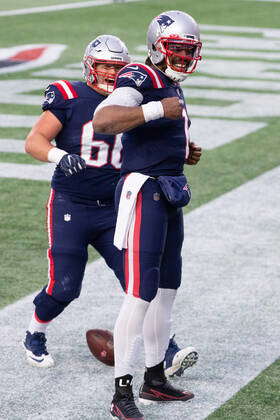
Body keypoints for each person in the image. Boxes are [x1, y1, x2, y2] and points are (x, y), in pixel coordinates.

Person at [22, 35, 200, 381]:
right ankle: (35, 331)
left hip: (117, 207)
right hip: (72, 204)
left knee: (139, 281)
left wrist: (183, 151)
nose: (109, 73)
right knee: (65, 286)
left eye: (117, 68)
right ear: (89, 65)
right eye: (103, 66)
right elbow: (34, 141)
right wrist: (61, 156)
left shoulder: (138, 94)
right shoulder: (70, 96)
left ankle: (166, 351)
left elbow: (155, 142)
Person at [93, 11, 202, 420]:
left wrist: (184, 151)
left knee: (166, 289)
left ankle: (154, 379)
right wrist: (158, 113)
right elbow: (105, 119)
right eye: (177, 49)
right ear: (158, 45)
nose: (183, 56)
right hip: (144, 193)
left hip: (169, 190)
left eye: (188, 50)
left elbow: (160, 128)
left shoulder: (168, 83)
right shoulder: (139, 75)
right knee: (140, 292)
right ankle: (121, 393)